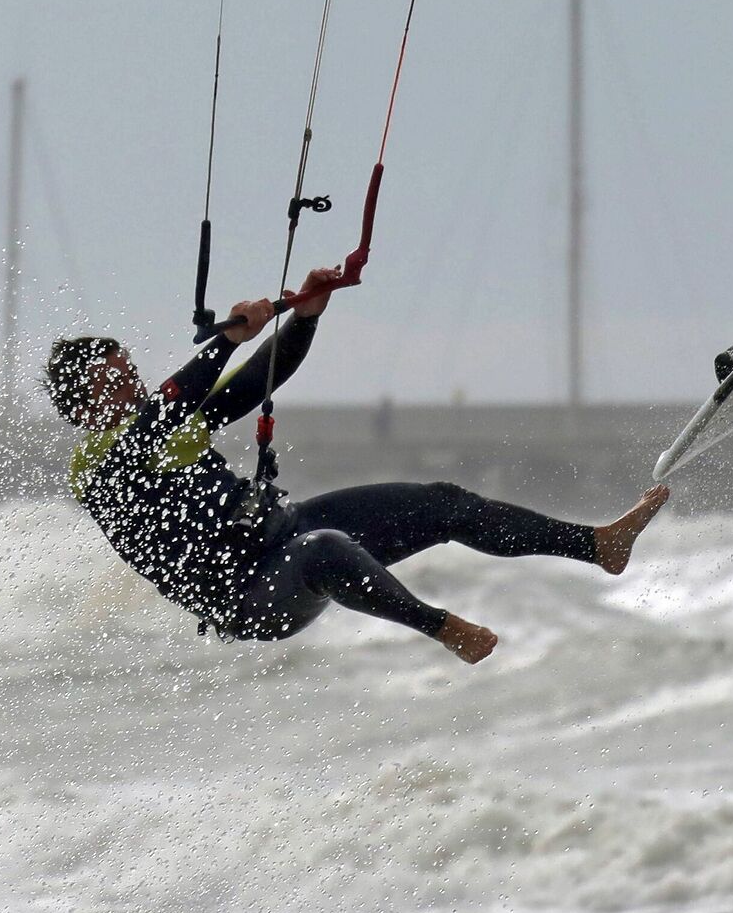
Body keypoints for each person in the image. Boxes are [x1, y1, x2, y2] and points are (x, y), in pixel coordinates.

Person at [43, 266, 668, 662]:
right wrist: (228, 338)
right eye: (111, 383)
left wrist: (307, 317)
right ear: (81, 406)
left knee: (440, 502)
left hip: (276, 534)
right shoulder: (99, 465)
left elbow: (261, 377)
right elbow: (164, 412)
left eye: (128, 372)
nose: (129, 385)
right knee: (323, 550)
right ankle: (440, 627)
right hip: (247, 596)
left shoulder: (163, 424)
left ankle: (597, 544)